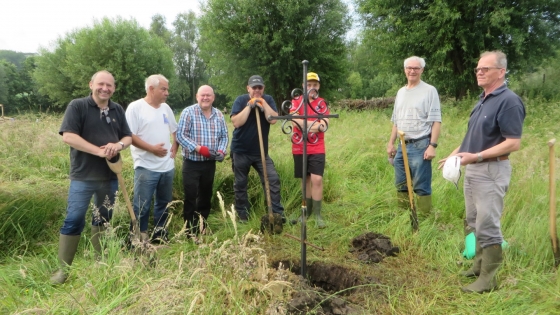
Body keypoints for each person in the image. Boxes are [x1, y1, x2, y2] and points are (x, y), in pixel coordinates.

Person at [439, 51, 525, 293]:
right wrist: (456, 154)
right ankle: (478, 266)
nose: (479, 72)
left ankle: (489, 279)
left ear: (501, 72)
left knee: (488, 223)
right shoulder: (482, 100)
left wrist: (475, 156)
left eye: (485, 69)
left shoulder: (509, 101)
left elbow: (513, 142)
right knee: (473, 219)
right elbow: (472, 138)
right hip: (473, 169)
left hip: (491, 169)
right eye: (478, 68)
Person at [52, 70, 132, 284]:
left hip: (110, 175)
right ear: (91, 85)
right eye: (101, 84)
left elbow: (128, 136)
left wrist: (119, 145)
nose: (105, 88)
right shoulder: (77, 106)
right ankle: (63, 271)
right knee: (74, 219)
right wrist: (98, 151)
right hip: (83, 176)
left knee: (104, 219)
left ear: (114, 88)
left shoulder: (117, 109)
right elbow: (68, 136)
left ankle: (101, 261)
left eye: (109, 85)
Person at [386, 56, 442, 218]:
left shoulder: (429, 91)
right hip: (402, 145)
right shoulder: (401, 92)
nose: (412, 71)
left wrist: (432, 145)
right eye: (409, 68)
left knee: (421, 186)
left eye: (416, 68)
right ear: (404, 70)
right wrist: (391, 143)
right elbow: (396, 122)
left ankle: (424, 220)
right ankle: (405, 219)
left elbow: (436, 121)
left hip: (420, 145)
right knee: (401, 185)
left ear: (422, 70)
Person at [125, 74, 178, 243]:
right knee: (142, 205)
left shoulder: (166, 108)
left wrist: (174, 147)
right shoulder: (135, 108)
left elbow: (174, 129)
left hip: (166, 167)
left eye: (167, 89)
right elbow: (129, 135)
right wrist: (152, 149)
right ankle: (139, 237)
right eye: (163, 89)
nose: (167, 93)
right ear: (151, 89)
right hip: (146, 166)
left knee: (163, 203)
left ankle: (160, 235)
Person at [230, 75, 285, 223]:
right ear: (248, 88)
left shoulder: (268, 99)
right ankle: (243, 215)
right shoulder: (240, 100)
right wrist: (250, 105)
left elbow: (273, 119)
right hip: (240, 150)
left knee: (272, 179)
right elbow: (236, 122)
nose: (257, 90)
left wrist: (263, 104)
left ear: (263, 88)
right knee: (240, 183)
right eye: (254, 87)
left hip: (261, 152)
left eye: (259, 87)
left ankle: (276, 214)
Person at [176, 85, 228, 236]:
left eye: (208, 95)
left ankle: (203, 225)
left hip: (209, 163)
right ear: (197, 97)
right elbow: (181, 135)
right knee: (191, 196)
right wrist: (199, 148)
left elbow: (224, 136)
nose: (205, 98)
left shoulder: (218, 115)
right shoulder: (188, 112)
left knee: (205, 195)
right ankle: (189, 230)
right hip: (191, 162)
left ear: (213, 97)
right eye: (202, 95)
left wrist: (221, 151)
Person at [289, 72, 330, 228]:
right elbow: (294, 120)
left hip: (317, 147)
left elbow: (324, 125)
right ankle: (306, 212)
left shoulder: (322, 103)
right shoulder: (296, 101)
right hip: (299, 147)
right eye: (309, 84)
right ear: (303, 86)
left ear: (318, 86)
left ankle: (318, 214)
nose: (312, 87)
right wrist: (314, 125)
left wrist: (306, 124)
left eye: (315, 84)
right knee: (305, 180)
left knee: (317, 179)